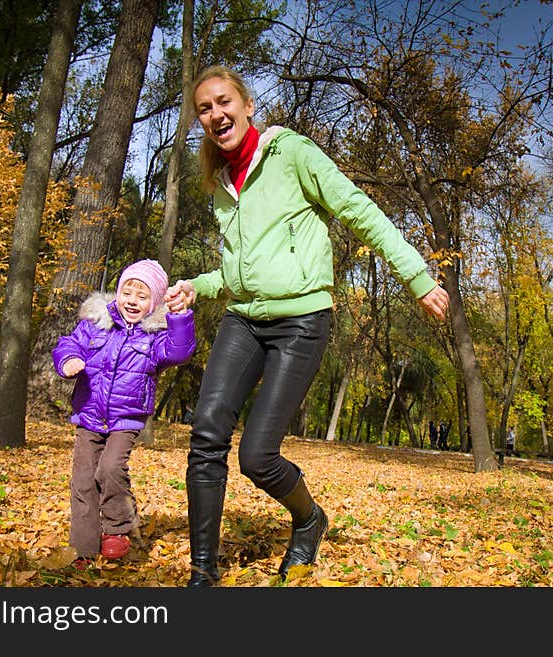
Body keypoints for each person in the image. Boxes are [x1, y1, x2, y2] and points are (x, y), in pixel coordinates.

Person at [164, 65, 449, 588]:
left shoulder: (291, 153)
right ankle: (201, 575)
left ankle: (309, 518)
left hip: (301, 319)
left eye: (223, 102)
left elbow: (359, 210)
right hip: (243, 319)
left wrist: (417, 277)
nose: (215, 114)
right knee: (206, 436)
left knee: (257, 456)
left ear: (247, 105)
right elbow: (237, 268)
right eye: (204, 108)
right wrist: (196, 286)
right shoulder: (221, 182)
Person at [52, 259, 196, 568]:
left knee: (111, 469)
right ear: (118, 294)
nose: (132, 301)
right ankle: (84, 548)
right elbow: (69, 344)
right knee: (83, 480)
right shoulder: (96, 322)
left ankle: (117, 528)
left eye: (142, 296)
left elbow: (179, 351)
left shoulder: (154, 336)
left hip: (126, 417)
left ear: (153, 303)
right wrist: (69, 361)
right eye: (127, 292)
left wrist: (181, 315)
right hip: (89, 411)